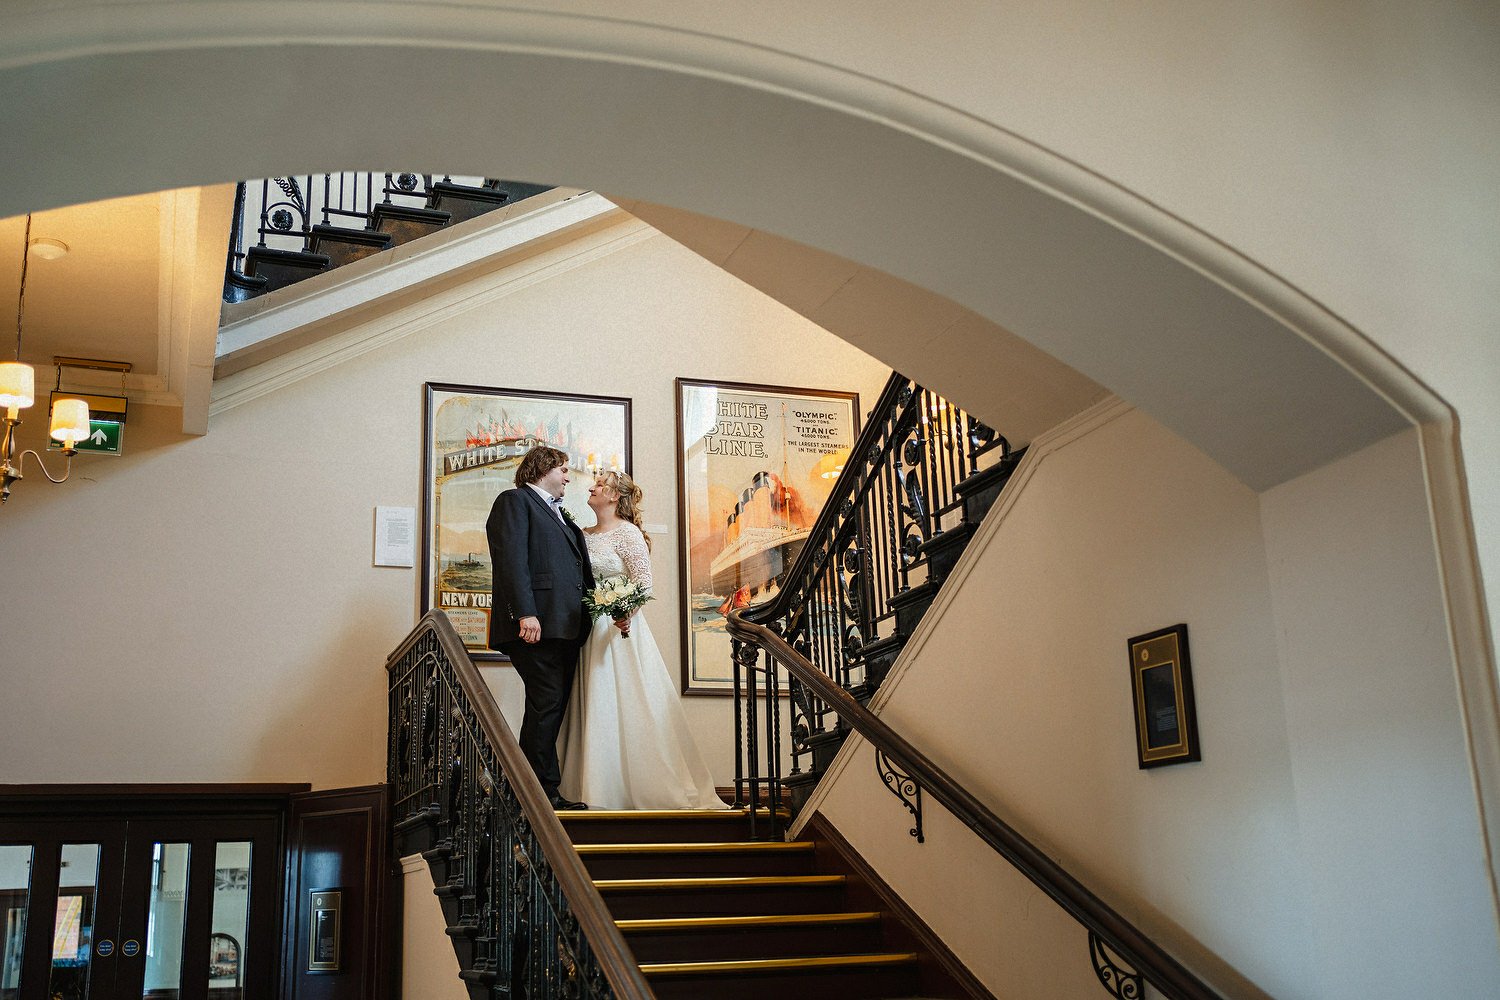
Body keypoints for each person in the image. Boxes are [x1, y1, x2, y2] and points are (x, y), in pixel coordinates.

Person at [558, 471, 728, 810]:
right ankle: (587, 785)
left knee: (623, 700)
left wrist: (625, 612)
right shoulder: (582, 534)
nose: (591, 488)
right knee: (588, 698)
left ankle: (628, 785)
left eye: (600, 484)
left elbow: (643, 583)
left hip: (619, 630)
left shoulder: (628, 534)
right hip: (585, 629)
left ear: (615, 496)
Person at [487, 445, 593, 810]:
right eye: (563, 469)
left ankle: (535, 788)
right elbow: (511, 561)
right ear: (543, 469)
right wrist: (524, 613)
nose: (567, 477)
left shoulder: (560, 514)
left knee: (550, 707)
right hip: (536, 625)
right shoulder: (514, 501)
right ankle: (538, 793)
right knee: (547, 703)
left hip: (565, 627)